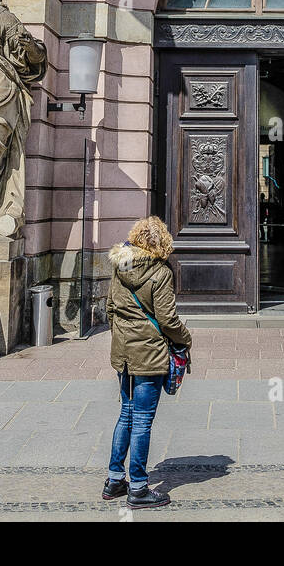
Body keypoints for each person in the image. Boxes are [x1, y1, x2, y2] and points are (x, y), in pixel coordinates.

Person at [104, 215, 192, 510]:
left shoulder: (121, 265)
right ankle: (139, 487)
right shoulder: (161, 272)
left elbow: (110, 308)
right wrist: (185, 338)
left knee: (126, 414)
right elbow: (167, 319)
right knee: (141, 420)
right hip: (149, 354)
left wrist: (123, 335)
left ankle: (115, 479)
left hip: (124, 354)